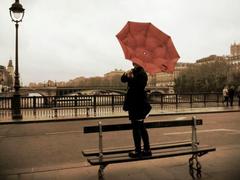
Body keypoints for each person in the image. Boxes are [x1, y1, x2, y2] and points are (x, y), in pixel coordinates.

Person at [121, 62, 152, 158]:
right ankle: (147, 149)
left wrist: (131, 77)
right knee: (141, 127)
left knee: (136, 128)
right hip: (134, 104)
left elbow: (139, 87)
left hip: (138, 104)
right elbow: (122, 80)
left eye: (135, 61)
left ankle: (138, 151)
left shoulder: (142, 73)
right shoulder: (133, 71)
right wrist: (126, 74)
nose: (133, 62)